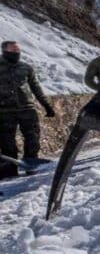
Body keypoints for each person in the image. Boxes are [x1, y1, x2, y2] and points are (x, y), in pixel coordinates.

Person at [0, 40, 55, 178]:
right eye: (13, 50)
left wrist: (46, 105)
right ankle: (9, 170)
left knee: (33, 138)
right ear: (4, 51)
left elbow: (36, 87)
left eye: (18, 51)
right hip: (5, 111)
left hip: (27, 109)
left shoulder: (25, 67)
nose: (17, 53)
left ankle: (31, 165)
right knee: (7, 142)